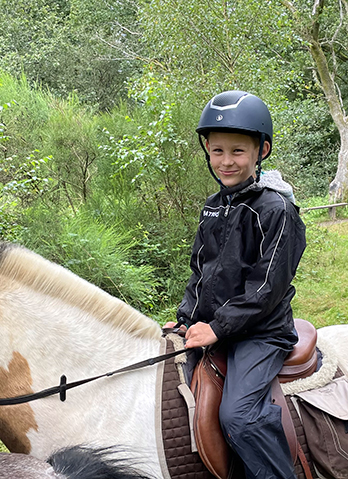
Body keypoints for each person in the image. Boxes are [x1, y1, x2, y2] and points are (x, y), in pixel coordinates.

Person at [176, 90, 306, 479]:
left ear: (260, 150)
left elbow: (266, 288)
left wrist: (218, 327)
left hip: (261, 333)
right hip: (220, 328)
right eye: (217, 151)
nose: (226, 161)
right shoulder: (213, 206)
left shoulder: (277, 209)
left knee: (240, 416)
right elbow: (201, 271)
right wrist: (186, 318)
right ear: (208, 151)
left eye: (237, 151)